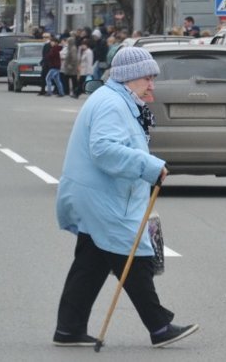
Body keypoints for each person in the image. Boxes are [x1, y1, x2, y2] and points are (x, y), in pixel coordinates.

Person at [53, 47, 199, 348]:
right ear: (130, 77)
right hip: (103, 197)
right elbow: (104, 149)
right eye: (148, 78)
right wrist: (150, 166)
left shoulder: (117, 100)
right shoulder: (111, 104)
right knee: (135, 258)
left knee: (91, 262)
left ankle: (68, 329)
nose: (152, 85)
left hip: (99, 194)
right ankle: (159, 327)